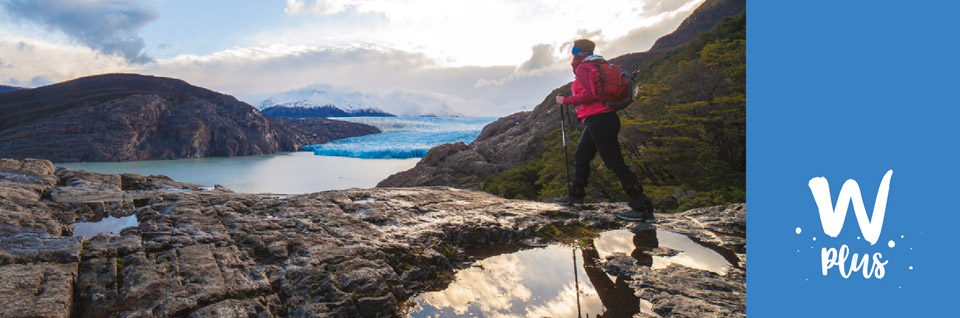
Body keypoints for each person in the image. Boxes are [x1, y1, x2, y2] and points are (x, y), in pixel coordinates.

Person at [555, 39, 655, 222]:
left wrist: (565, 101)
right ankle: (576, 196)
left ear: (577, 52)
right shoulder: (598, 64)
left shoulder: (583, 68)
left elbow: (589, 95)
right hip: (601, 118)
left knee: (614, 163)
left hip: (599, 118)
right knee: (581, 156)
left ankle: (641, 205)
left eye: (573, 51)